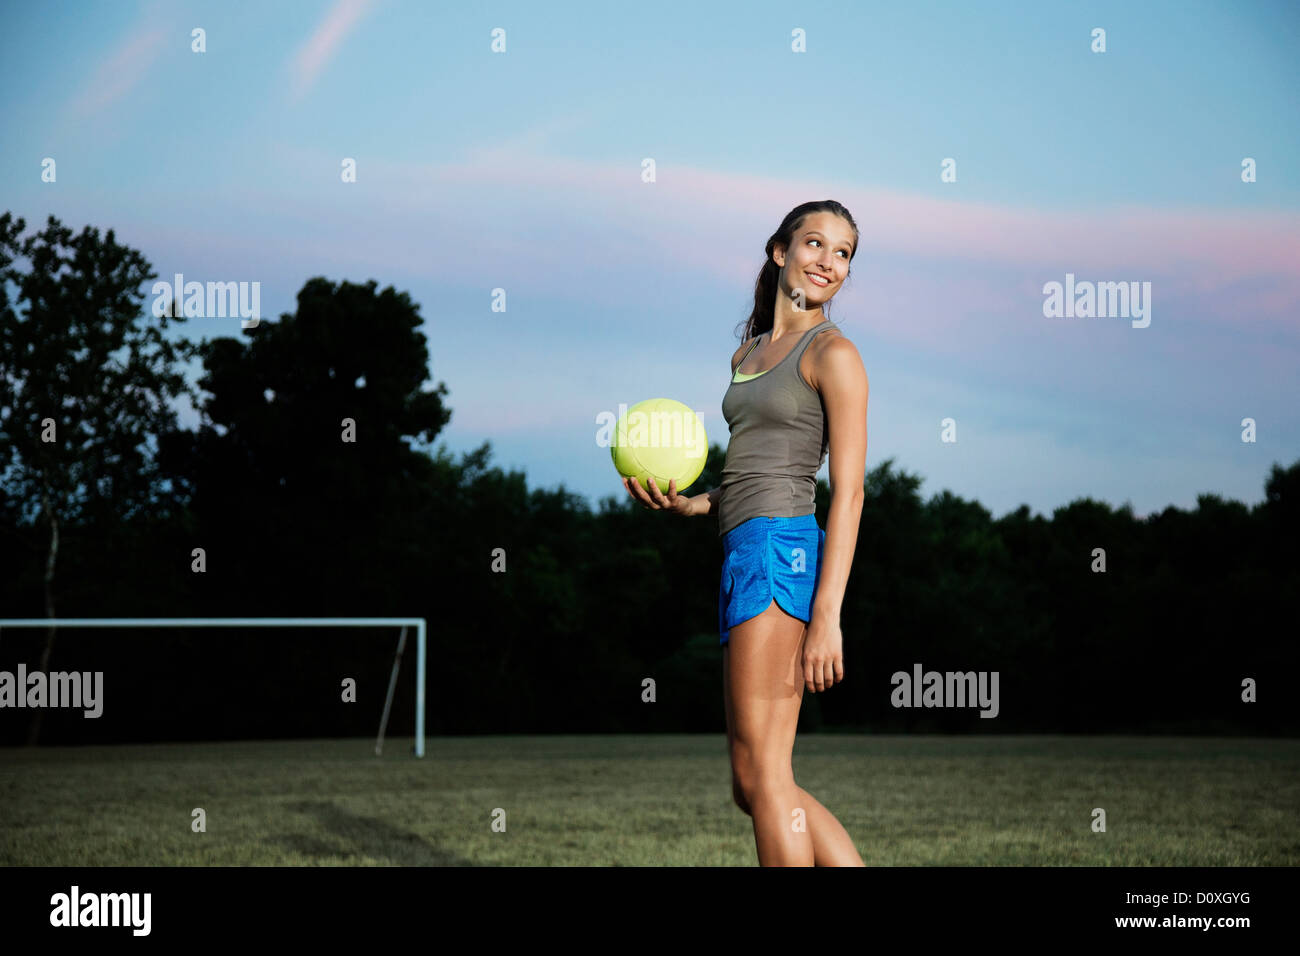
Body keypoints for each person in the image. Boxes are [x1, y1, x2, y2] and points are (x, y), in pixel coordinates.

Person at [623, 200, 869, 866]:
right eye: (815, 243)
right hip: (740, 549)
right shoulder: (750, 351)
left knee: (767, 773)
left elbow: (847, 494)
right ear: (779, 251)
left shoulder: (834, 353)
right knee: (752, 782)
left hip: (781, 548)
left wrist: (827, 617)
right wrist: (694, 506)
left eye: (843, 252)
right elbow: (749, 474)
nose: (828, 261)